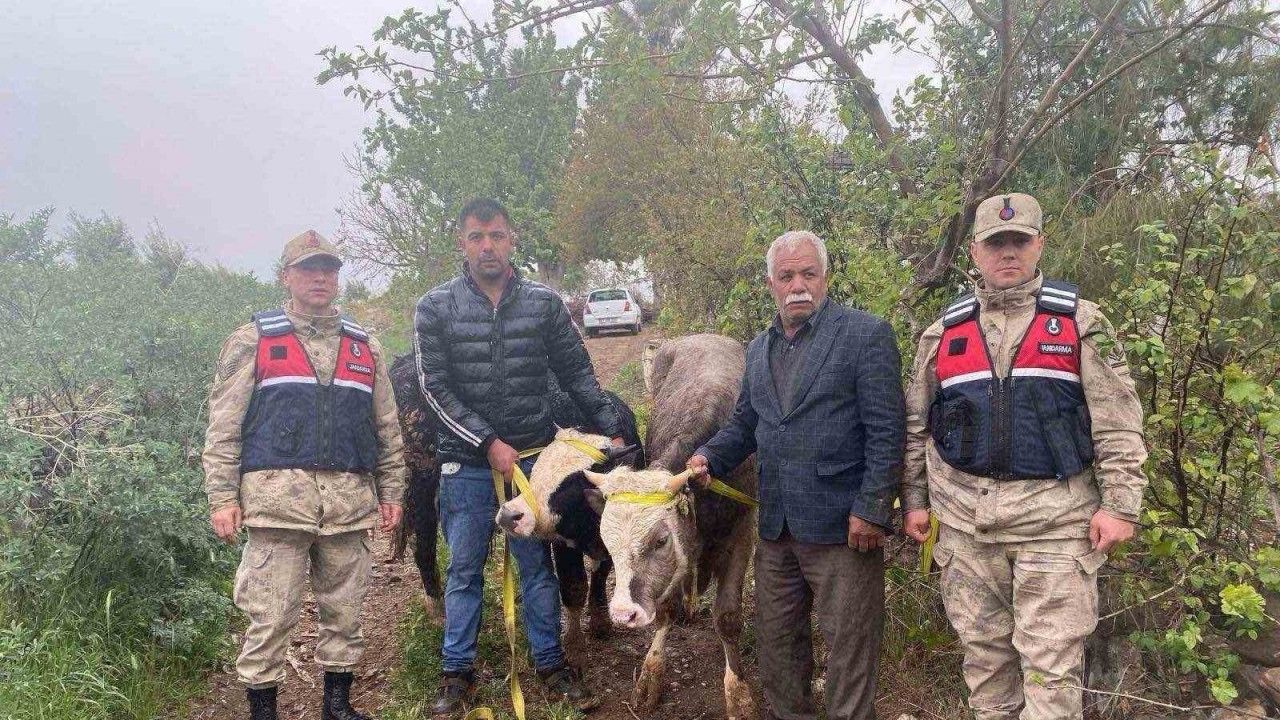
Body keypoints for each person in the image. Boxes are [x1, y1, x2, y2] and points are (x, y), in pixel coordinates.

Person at [900, 193, 1147, 720]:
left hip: (1056, 524)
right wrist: (914, 501)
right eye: (995, 243)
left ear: (1039, 244)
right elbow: (917, 425)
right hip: (966, 528)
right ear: (974, 251)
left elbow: (1118, 419)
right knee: (986, 669)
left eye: (1019, 240)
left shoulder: (1080, 322)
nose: (1007, 253)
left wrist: (1121, 505)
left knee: (1050, 673)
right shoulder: (942, 333)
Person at [414, 198, 624, 717]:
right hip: (464, 464)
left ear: (512, 239)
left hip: (532, 462)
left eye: (497, 236)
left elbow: (576, 373)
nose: (488, 246)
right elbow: (433, 387)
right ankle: (455, 675)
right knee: (464, 569)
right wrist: (486, 441)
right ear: (461, 243)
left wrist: (611, 427)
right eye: (477, 237)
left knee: (537, 567)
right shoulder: (434, 308)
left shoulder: (544, 305)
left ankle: (552, 665)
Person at [687, 230, 906, 720]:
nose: (798, 285)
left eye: (808, 273)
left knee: (850, 654)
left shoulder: (864, 335)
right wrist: (707, 456)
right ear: (771, 284)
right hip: (777, 533)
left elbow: (887, 431)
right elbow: (746, 423)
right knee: (778, 652)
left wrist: (872, 509)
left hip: (844, 533)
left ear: (825, 277)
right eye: (787, 276)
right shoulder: (758, 349)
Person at [203, 230, 406, 720]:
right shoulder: (253, 339)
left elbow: (386, 427)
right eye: (309, 268)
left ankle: (337, 705)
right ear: (286, 276)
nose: (320, 277)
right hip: (277, 507)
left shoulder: (365, 346)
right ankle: (263, 711)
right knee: (270, 617)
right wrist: (221, 497)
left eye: (329, 269)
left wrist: (392, 490)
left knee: (346, 614)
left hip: (349, 503)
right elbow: (223, 428)